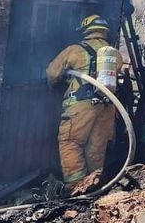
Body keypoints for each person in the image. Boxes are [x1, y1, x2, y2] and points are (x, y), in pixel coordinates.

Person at [47, 14, 123, 189]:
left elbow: (52, 73)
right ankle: (94, 186)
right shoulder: (114, 54)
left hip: (80, 105)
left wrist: (55, 85)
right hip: (107, 107)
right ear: (104, 32)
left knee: (70, 142)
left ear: (85, 31)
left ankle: (76, 186)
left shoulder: (75, 50)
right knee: (96, 147)